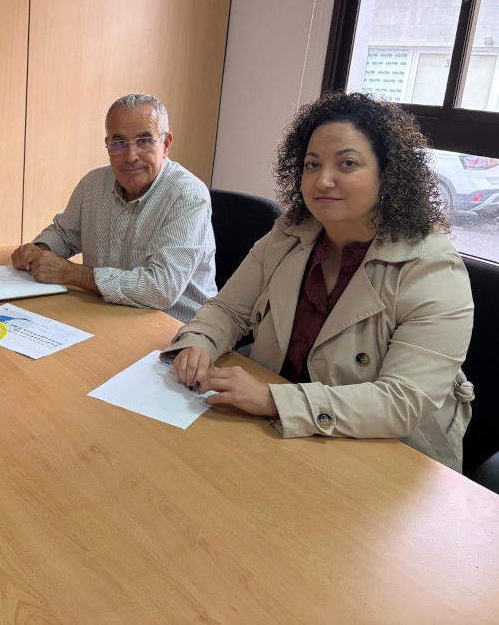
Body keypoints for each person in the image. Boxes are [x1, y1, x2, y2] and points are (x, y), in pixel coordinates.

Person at [162, 91, 474, 472]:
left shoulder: (433, 269)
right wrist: (199, 344)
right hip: (278, 437)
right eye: (312, 164)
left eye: (347, 163)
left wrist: (273, 400)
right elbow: (227, 308)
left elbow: (400, 402)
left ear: (388, 174)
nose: (323, 180)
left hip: (386, 459)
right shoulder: (290, 233)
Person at [11, 93, 217, 322]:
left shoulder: (188, 196)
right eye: (119, 143)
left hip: (176, 328)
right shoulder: (94, 183)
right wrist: (37, 252)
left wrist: (70, 272)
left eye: (144, 141)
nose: (130, 156)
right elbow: (64, 234)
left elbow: (161, 288)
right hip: (107, 313)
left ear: (166, 144)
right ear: (108, 145)